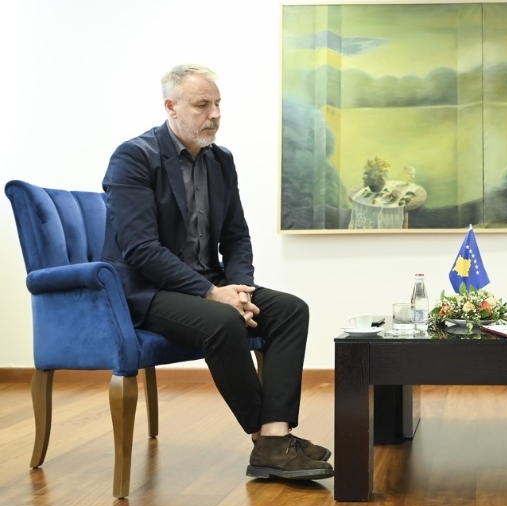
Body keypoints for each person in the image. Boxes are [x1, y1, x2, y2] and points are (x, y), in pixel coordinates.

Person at [101, 64, 333, 481]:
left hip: (211, 282)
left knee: (290, 310)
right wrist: (212, 293)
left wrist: (239, 288)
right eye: (202, 105)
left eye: (218, 104)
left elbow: (236, 236)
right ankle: (270, 443)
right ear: (171, 107)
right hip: (147, 291)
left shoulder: (221, 160)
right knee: (223, 320)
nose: (215, 114)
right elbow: (140, 250)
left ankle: (275, 436)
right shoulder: (133, 157)